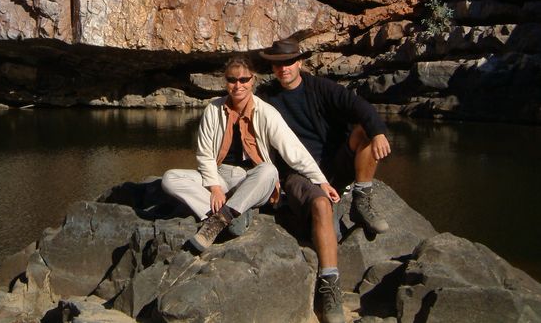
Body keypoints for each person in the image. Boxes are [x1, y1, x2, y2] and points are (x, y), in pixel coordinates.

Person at [162, 56, 346, 323]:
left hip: (253, 177)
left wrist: (321, 181)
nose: (238, 85)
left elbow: (293, 151)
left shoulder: (265, 111)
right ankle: (231, 214)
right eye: (232, 80)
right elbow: (204, 155)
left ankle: (223, 217)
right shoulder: (213, 109)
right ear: (225, 82)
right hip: (222, 176)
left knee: (269, 171)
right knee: (170, 178)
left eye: (244, 79)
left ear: (253, 81)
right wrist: (214, 188)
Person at [259, 38, 392, 237]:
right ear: (272, 67)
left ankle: (361, 199)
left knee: (364, 131)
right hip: (298, 172)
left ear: (299, 63)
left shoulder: (319, 87)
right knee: (332, 233)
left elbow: (356, 104)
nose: (283, 68)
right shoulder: (266, 97)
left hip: (334, 163)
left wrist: (378, 132)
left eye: (289, 62)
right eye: (278, 64)